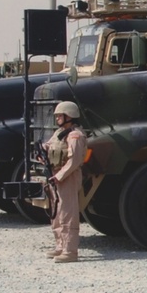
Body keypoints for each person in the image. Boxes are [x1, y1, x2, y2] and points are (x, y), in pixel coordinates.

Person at [44, 101, 87, 263]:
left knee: (68, 213)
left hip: (68, 176)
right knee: (56, 212)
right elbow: (50, 146)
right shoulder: (59, 133)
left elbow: (75, 159)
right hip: (56, 175)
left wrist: (60, 175)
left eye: (60, 116)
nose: (57, 119)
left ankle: (70, 251)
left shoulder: (75, 135)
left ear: (69, 116)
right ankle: (60, 246)